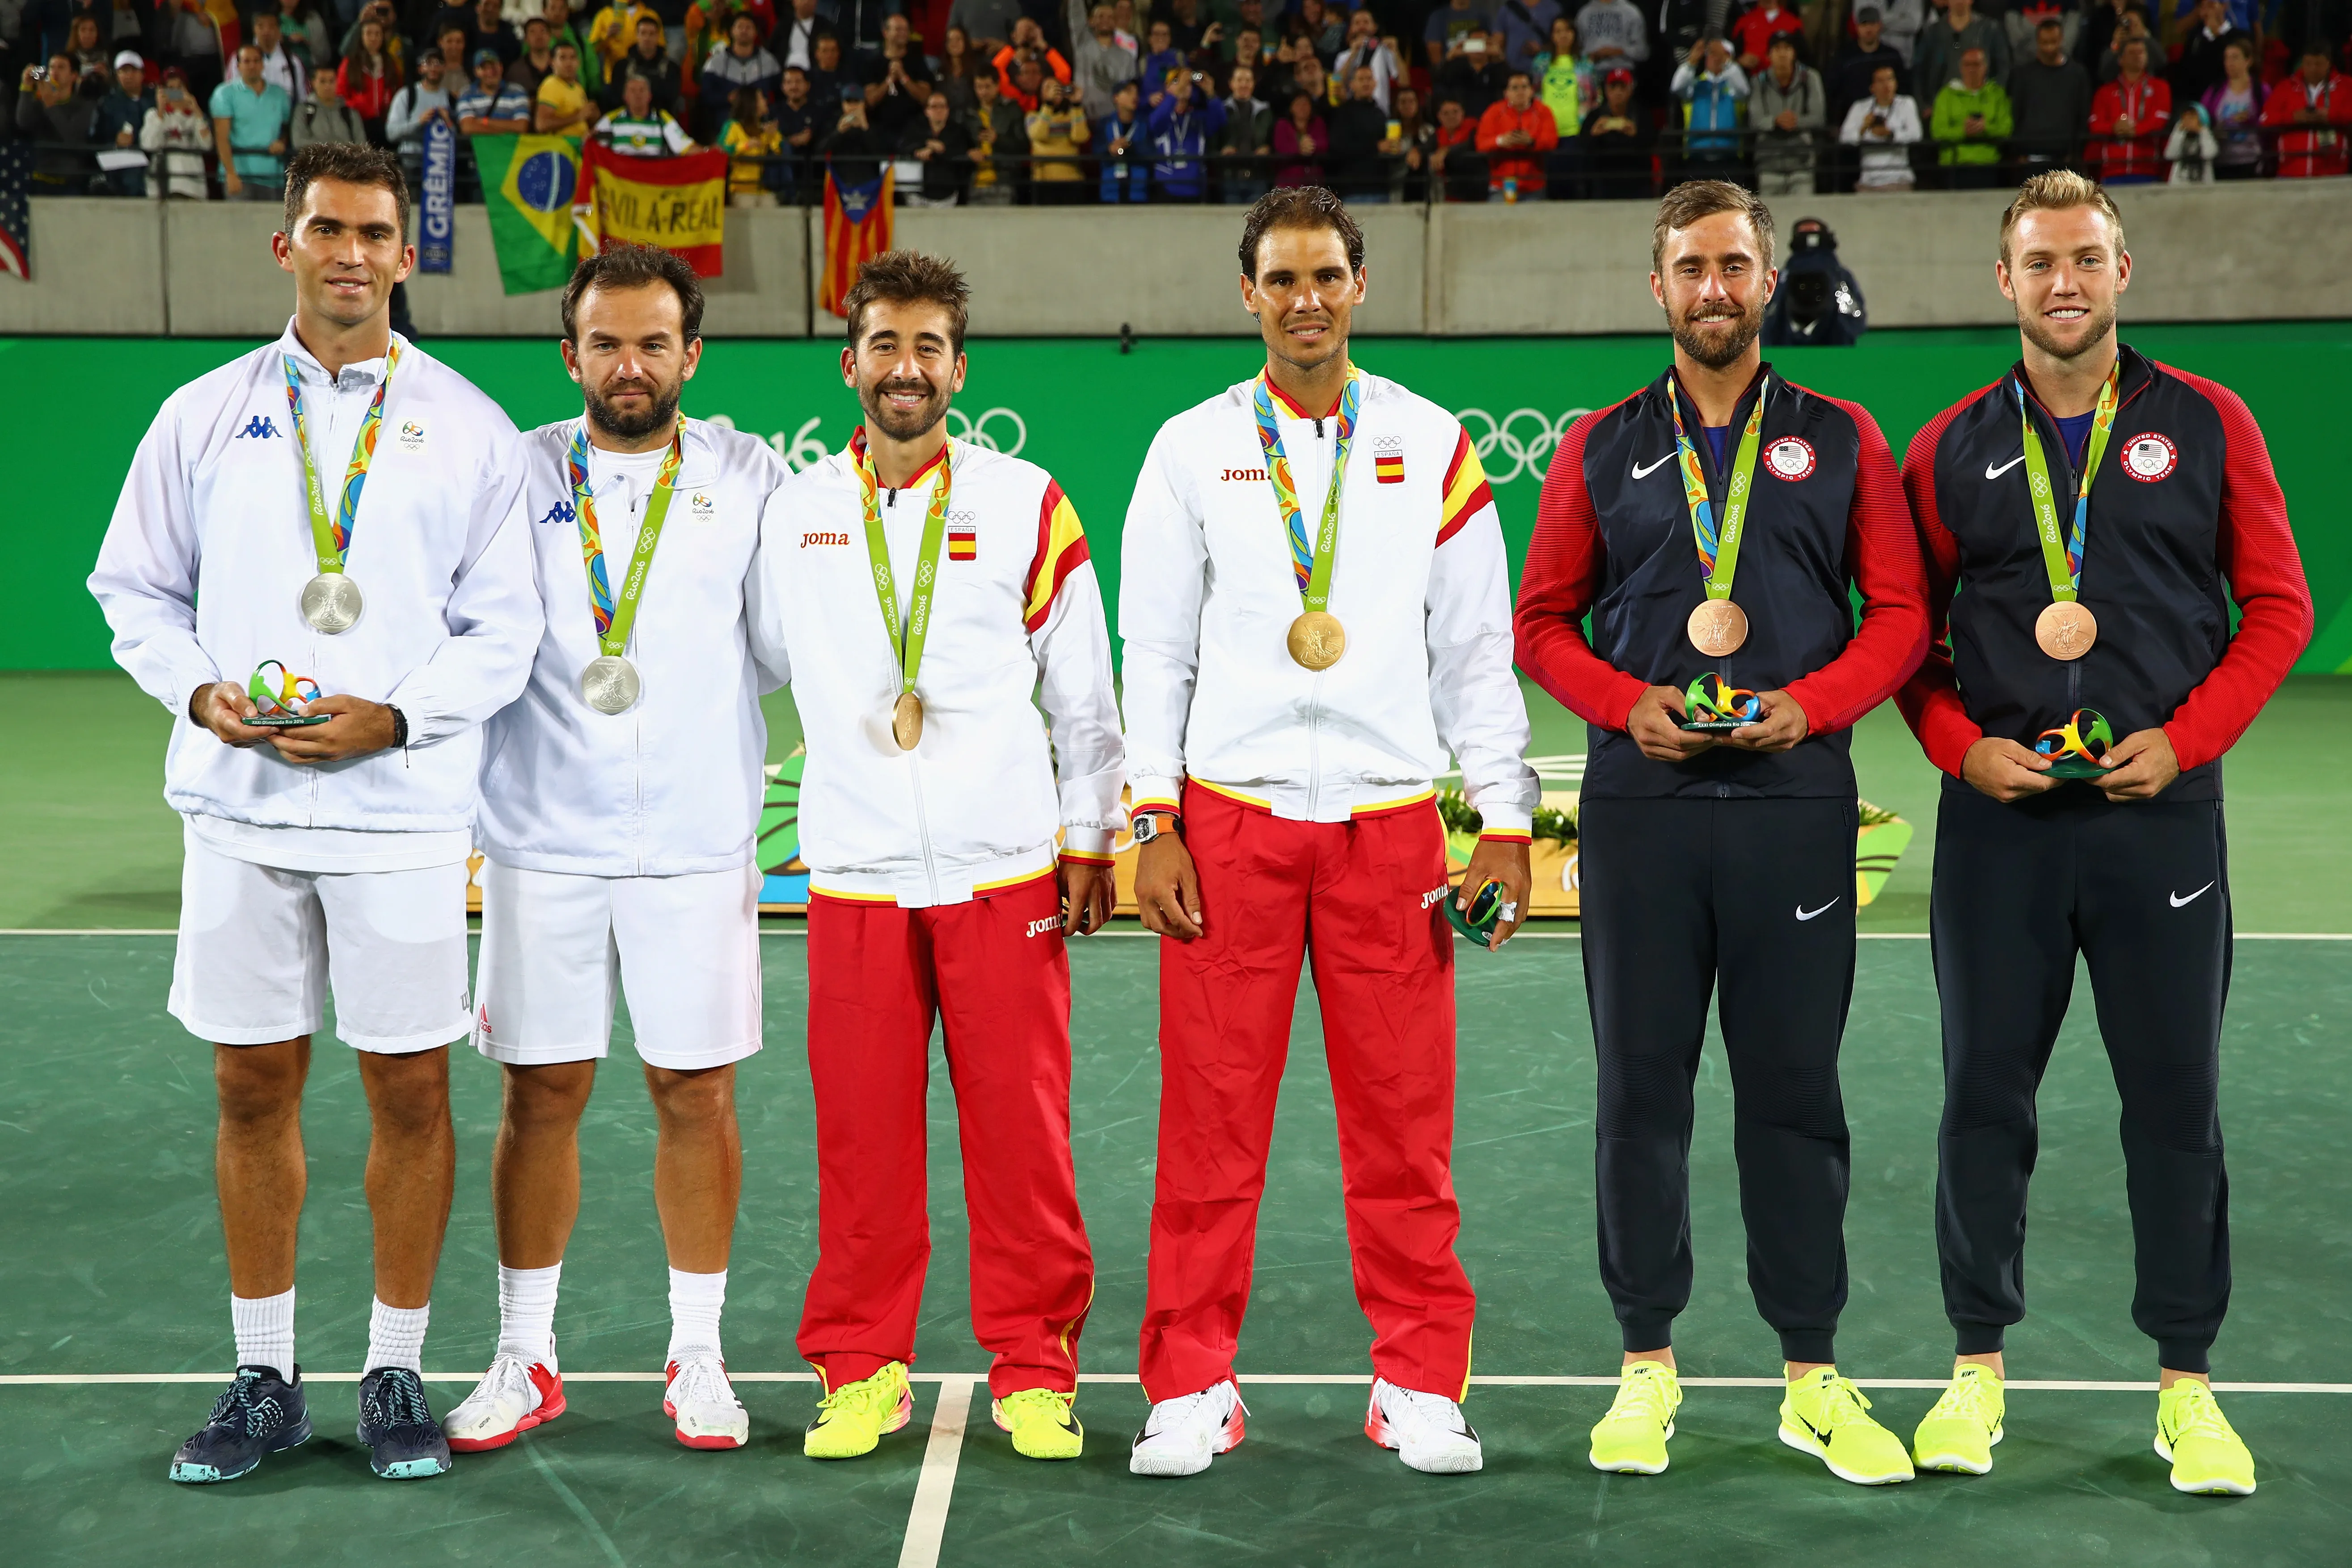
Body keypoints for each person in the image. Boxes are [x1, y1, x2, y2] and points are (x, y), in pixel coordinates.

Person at [88, 141, 542, 1488]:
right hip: (238, 808)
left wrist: (395, 718)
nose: (351, 252)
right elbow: (134, 591)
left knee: (408, 1084)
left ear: (410, 255)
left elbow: (503, 627)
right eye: (326, 228)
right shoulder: (198, 415)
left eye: (377, 232)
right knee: (249, 1084)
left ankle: (394, 1360)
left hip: (399, 813)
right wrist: (200, 694)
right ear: (283, 246)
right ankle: (266, 1372)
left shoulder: (469, 425)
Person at [1892, 169, 2310, 1497]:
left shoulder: (2206, 423)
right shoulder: (1948, 445)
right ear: (2000, 283)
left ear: (2122, 270)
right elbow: (1907, 640)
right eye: (2037, 260)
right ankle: (1974, 1366)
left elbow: (2278, 609)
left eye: (2084, 255)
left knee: (2174, 1108)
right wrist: (1962, 749)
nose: (2061, 279)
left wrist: (2183, 740)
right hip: (2000, 830)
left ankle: (2186, 1385)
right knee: (1978, 1101)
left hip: (2158, 822)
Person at [1515, 178, 1927, 1488]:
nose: (1712, 286)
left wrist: (1805, 709)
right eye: (1688, 266)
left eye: (1732, 265)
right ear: (1657, 286)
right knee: (1639, 1095)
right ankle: (1645, 1365)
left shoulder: (1842, 435)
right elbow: (1538, 622)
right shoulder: (1595, 442)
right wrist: (1623, 705)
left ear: (1766, 283)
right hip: (1638, 810)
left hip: (1789, 805)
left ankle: (1810, 1370)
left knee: (1793, 1097)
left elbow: (1902, 615)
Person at [1120, 185, 1536, 1481]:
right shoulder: (1189, 447)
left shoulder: (1433, 440)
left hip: (1387, 831)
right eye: (1281, 278)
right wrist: (1151, 816)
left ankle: (1416, 1379)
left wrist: (1506, 818)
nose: (1305, 298)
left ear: (1360, 285)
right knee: (1207, 1128)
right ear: (1246, 294)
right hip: (1231, 828)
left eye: (1326, 275)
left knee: (1404, 1128)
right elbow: (1159, 649)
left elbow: (1474, 649)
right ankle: (1192, 1383)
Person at [742, 251, 1123, 1464]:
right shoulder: (795, 512)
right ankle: (861, 1367)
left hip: (1000, 865)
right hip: (851, 872)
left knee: (1021, 1133)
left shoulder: (1026, 501)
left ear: (960, 368)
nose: (904, 368)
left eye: (927, 347)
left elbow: (1086, 697)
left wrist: (1086, 836)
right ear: (847, 363)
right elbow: (746, 674)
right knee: (861, 1139)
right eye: (883, 345)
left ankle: (1034, 1367)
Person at [437, 244, 782, 1459]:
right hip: (541, 842)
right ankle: (525, 1352)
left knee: (695, 1091)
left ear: (691, 354)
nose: (627, 366)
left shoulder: (747, 473)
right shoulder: (511, 473)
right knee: (542, 1094)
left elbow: (798, 645)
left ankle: (699, 1353)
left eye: (652, 343)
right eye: (605, 343)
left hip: (694, 844)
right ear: (568, 352)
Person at [2007, 12, 2090, 168]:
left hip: (2065, 159)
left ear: (2061, 40)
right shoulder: (2023, 75)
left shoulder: (2077, 74)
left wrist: (2076, 153)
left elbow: (2082, 115)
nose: (2050, 48)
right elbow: (2016, 113)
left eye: (2053, 42)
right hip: (2030, 158)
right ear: (2038, 42)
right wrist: (2018, 152)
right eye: (2045, 42)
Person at [2260, 41, 2351, 178]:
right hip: (2290, 172)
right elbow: (2265, 119)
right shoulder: (2286, 87)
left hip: (2333, 173)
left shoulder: (2346, 85)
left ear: (2329, 64)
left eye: (2318, 64)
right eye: (2308, 64)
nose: (2313, 69)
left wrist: (2331, 116)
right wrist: (2294, 118)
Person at [215, 43, 294, 199]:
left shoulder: (280, 95)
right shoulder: (224, 94)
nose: (252, 65)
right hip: (240, 176)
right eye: (247, 61)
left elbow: (286, 127)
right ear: (238, 66)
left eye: (256, 61)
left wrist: (282, 142)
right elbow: (221, 137)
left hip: (273, 176)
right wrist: (231, 173)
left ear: (263, 64)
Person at [1749, 30, 1824, 193]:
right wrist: (1775, 122)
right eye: (1777, 49)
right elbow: (1755, 120)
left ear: (1794, 53)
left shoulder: (1810, 78)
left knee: (1803, 215)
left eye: (1787, 49)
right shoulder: (1759, 82)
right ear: (1769, 55)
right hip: (1769, 164)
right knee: (1770, 217)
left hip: (1802, 164)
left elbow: (1819, 117)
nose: (1782, 54)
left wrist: (1796, 121)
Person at [2088, 34, 2169, 182]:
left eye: (2141, 52)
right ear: (2121, 59)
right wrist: (2114, 128)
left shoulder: (2160, 88)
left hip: (2148, 168)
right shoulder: (2105, 92)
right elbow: (2095, 124)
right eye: (2132, 53)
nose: (2138, 57)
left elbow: (2159, 121)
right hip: (2113, 170)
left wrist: (2135, 130)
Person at [1930, 45, 2010, 185]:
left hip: (1989, 164)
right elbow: (1937, 131)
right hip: (1954, 165)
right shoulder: (1946, 95)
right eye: (1968, 65)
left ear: (1985, 67)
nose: (1972, 69)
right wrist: (1963, 131)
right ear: (1961, 67)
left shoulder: (1997, 94)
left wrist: (1986, 128)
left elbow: (2006, 129)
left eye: (1977, 64)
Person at [1669, 34, 1748, 178]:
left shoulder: (1735, 86)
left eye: (1722, 55)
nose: (1716, 58)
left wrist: (1727, 63)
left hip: (1729, 160)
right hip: (1697, 159)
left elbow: (1744, 91)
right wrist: (1691, 61)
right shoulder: (1695, 85)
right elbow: (1677, 87)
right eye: (1712, 54)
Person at [1475, 66, 1558, 194]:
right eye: (1515, 88)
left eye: (1524, 87)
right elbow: (1481, 144)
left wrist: (1532, 142)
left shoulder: (1544, 112)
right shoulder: (1494, 112)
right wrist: (1502, 141)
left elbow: (1551, 141)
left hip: (1534, 186)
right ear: (1506, 93)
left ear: (1532, 91)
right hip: (1500, 186)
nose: (1520, 92)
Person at [1148, 64, 1225, 200]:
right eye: (1176, 81)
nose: (1183, 86)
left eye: (1187, 83)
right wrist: (1174, 95)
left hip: (1196, 187)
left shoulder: (1199, 118)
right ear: (1167, 88)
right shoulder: (1161, 115)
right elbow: (1155, 123)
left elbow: (1220, 121)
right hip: (1165, 188)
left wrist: (1211, 94)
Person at [1535, 13, 1593, 194]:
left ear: (1574, 34)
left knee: (1572, 186)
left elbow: (1593, 98)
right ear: (1552, 36)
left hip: (1575, 131)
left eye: (1567, 30)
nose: (1563, 35)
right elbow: (1536, 95)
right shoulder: (1541, 63)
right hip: (1548, 132)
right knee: (1552, 187)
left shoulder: (1584, 64)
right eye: (1558, 31)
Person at [1839, 63, 1919, 189]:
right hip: (1868, 181)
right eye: (1881, 81)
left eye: (1890, 79)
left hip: (1899, 179)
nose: (1886, 85)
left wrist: (1891, 134)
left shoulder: (1907, 104)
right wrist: (1863, 128)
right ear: (1872, 87)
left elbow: (1916, 134)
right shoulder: (1860, 107)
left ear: (1896, 83)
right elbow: (1845, 137)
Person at [859, 11, 933, 143]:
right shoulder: (873, 63)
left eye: (906, 29)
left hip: (913, 129)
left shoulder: (917, 61)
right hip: (881, 130)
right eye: (898, 29)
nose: (904, 33)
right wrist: (889, 81)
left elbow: (925, 98)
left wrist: (904, 78)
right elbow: (870, 101)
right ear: (885, 32)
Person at [143, 66, 215, 199]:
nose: (175, 93)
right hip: (162, 187)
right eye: (170, 89)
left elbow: (207, 145)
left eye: (179, 88)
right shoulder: (153, 115)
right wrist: (161, 112)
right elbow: (149, 145)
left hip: (193, 187)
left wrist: (197, 112)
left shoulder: (196, 117)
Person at [1913, 0, 2008, 101]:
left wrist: (1993, 100)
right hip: (1941, 105)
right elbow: (1919, 72)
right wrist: (1923, 106)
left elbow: (2003, 68)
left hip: (1981, 103)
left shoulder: (1989, 30)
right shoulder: (1933, 33)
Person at [1829, 5, 1906, 127]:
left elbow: (1903, 90)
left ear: (1880, 26)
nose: (1869, 29)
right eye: (1864, 25)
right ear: (1857, 27)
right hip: (1851, 120)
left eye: (1873, 24)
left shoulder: (1892, 56)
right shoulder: (1844, 57)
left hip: (1890, 118)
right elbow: (1834, 93)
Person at [1582, 66, 1651, 196]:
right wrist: (1593, 135)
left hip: (1635, 183)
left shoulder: (1641, 115)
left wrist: (1636, 135)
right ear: (1606, 90)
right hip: (1602, 183)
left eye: (1623, 87)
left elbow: (1651, 144)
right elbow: (1583, 148)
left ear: (1631, 90)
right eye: (1613, 87)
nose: (1618, 92)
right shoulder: (1594, 116)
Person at [1326, 59, 1391, 196]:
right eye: (1361, 79)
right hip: (1353, 189)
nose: (1366, 83)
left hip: (1380, 187)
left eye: (1369, 79)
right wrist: (1376, 147)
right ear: (1352, 85)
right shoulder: (1344, 113)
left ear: (1375, 83)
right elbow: (1339, 147)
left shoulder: (1381, 114)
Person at [96, 50, 156, 196]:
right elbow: (96, 137)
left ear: (142, 73)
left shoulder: (156, 94)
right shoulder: (107, 103)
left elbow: (183, 94)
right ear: (117, 75)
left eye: (134, 70)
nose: (129, 75)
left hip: (154, 154)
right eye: (124, 71)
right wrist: (115, 141)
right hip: (120, 157)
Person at [902, 86, 973, 203]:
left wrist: (939, 149)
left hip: (947, 193)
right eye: (934, 107)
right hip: (917, 194)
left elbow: (962, 152)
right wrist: (925, 145)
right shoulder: (916, 129)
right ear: (927, 111)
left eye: (942, 106)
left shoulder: (958, 131)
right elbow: (902, 145)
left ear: (948, 110)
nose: (938, 110)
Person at [1025, 72, 1090, 197]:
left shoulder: (1073, 115)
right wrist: (1048, 105)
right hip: (1043, 181)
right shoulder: (1032, 117)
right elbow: (1038, 135)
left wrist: (1076, 105)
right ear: (1040, 93)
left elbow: (1081, 138)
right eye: (1048, 88)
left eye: (1057, 88)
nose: (1053, 92)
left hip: (1072, 179)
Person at [967, 68, 1027, 201]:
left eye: (987, 87)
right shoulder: (968, 113)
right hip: (974, 183)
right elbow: (960, 143)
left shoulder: (1012, 109)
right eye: (979, 87)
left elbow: (1023, 146)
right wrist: (969, 152)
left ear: (997, 86)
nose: (983, 92)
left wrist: (998, 140)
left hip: (1004, 182)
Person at [335, 18, 399, 143]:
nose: (374, 38)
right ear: (361, 36)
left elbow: (398, 91)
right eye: (369, 33)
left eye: (378, 34)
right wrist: (358, 105)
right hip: (358, 123)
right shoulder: (350, 63)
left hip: (384, 123)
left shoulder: (391, 64)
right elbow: (340, 95)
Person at [1218, 59, 1273, 201]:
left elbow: (1271, 138)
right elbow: (1213, 138)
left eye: (1248, 80)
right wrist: (1222, 150)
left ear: (1254, 83)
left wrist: (1267, 148)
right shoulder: (1221, 109)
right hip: (1230, 177)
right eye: (1240, 80)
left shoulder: (1265, 110)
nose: (1244, 84)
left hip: (1258, 176)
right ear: (1231, 83)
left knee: (1257, 221)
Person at [1334, 7, 1402, 110]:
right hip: (1352, 114)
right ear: (1351, 28)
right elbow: (1336, 85)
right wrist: (1353, 54)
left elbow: (1404, 83)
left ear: (1375, 27)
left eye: (1366, 22)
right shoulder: (1343, 57)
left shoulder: (1385, 52)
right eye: (1357, 23)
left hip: (1380, 112)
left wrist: (1396, 52)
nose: (1362, 26)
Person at [456, 46, 532, 134]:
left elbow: (522, 127)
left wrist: (484, 122)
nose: (490, 72)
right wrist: (508, 127)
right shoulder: (467, 94)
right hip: (479, 147)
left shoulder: (518, 91)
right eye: (484, 68)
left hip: (510, 147)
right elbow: (467, 127)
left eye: (493, 67)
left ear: (501, 67)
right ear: (476, 72)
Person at [1098, 75, 1148, 201]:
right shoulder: (1105, 123)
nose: (1135, 96)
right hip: (1111, 192)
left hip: (1138, 193)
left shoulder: (1144, 123)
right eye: (1128, 92)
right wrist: (1110, 149)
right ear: (1116, 98)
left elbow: (1150, 151)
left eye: (1137, 92)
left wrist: (1129, 146)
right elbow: (1096, 150)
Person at [293, 60, 367, 145]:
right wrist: (332, 148)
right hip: (316, 158)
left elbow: (362, 144)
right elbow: (299, 142)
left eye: (332, 81)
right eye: (323, 82)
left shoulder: (350, 112)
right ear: (313, 83)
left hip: (346, 158)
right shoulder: (303, 111)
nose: (327, 86)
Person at [535, 38, 598, 135]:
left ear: (579, 62)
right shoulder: (551, 85)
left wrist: (593, 116)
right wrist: (578, 116)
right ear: (552, 62)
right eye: (563, 58)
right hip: (562, 146)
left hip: (581, 143)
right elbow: (542, 124)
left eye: (573, 58)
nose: (569, 63)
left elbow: (583, 120)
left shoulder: (578, 88)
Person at [1431, 92, 1485, 197]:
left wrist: (1446, 151)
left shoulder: (1473, 127)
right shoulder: (1438, 133)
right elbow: (1425, 147)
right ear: (1439, 117)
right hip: (1450, 192)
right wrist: (1416, 151)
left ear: (1463, 113)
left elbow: (1470, 145)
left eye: (1455, 112)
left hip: (1475, 189)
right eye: (1446, 113)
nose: (1451, 116)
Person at [1270, 86, 1326, 183]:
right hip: (1288, 182)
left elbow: (1325, 143)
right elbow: (1281, 148)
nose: (1302, 108)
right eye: (1299, 104)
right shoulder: (1282, 125)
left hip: (1314, 182)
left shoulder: (1318, 122)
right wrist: (1299, 149)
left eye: (1306, 104)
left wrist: (1312, 147)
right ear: (1291, 107)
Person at [1729, 0, 1802, 72]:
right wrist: (1740, 61)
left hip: (1784, 77)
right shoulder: (1744, 22)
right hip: (1751, 77)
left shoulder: (1793, 23)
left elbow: (1804, 56)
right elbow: (1730, 54)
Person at [1575, 0, 1646, 68]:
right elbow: (1576, 49)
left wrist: (1619, 51)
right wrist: (1592, 55)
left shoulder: (1631, 12)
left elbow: (1642, 52)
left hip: (1623, 71)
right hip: (1589, 72)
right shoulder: (1584, 14)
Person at [1424, 0, 1492, 68]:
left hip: (1479, 71)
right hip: (1450, 71)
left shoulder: (1483, 16)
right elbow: (1436, 61)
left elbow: (1491, 48)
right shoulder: (1438, 18)